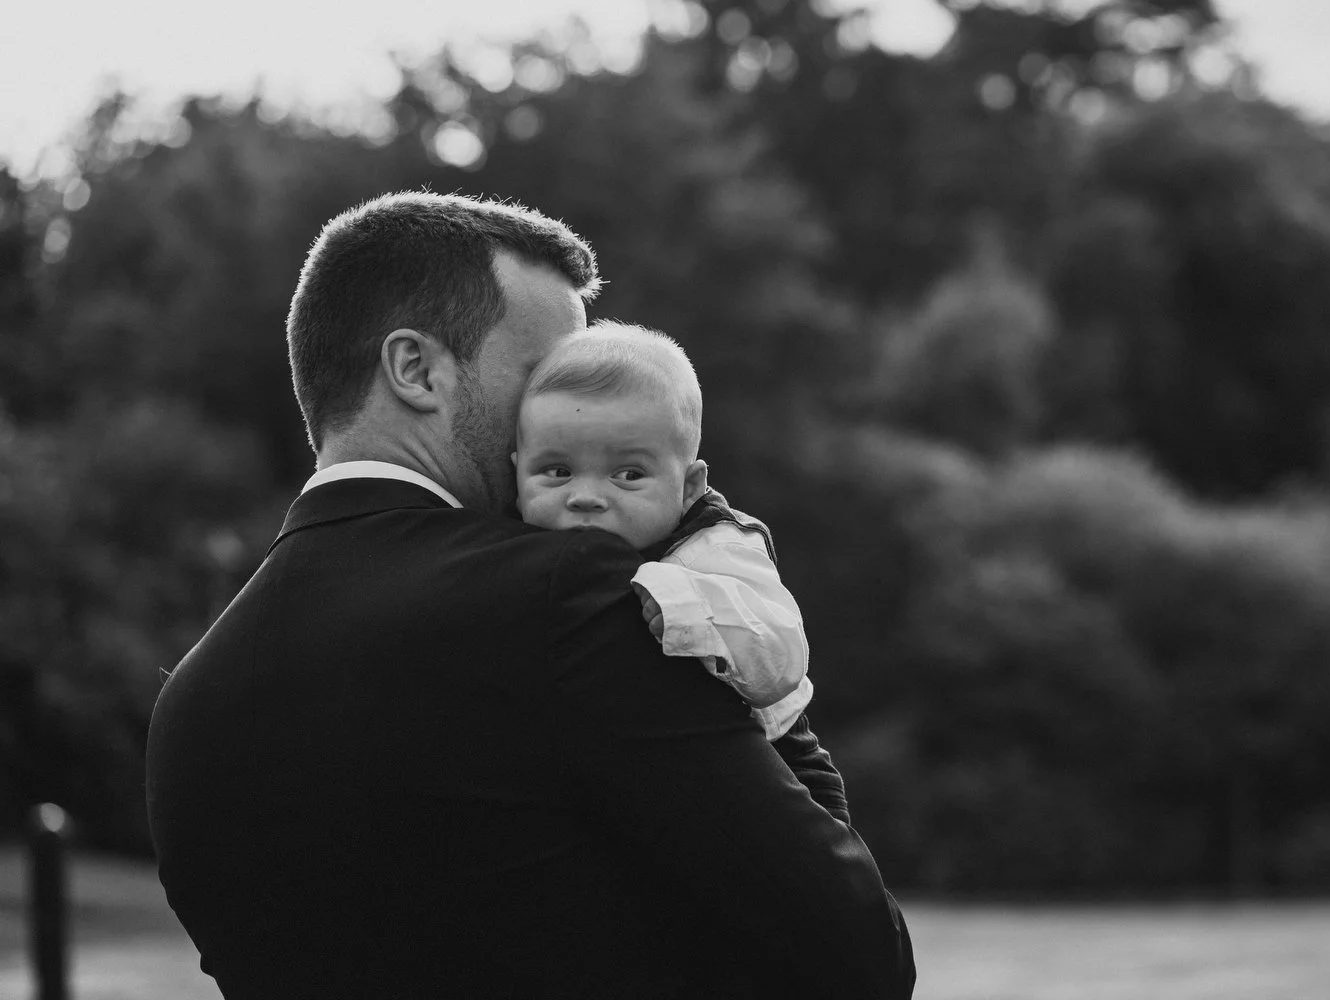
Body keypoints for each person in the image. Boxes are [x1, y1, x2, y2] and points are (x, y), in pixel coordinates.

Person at [145, 191, 915, 1000]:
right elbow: (856, 953)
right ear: (416, 370)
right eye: (545, 372)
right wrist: (758, 653)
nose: (571, 410)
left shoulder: (188, 708)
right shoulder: (565, 594)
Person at [513, 320, 846, 818]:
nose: (585, 497)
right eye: (557, 471)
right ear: (516, 472)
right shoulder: (522, 540)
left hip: (782, 768)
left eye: (628, 475)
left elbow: (781, 656)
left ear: (689, 487)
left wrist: (681, 602)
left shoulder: (713, 544)